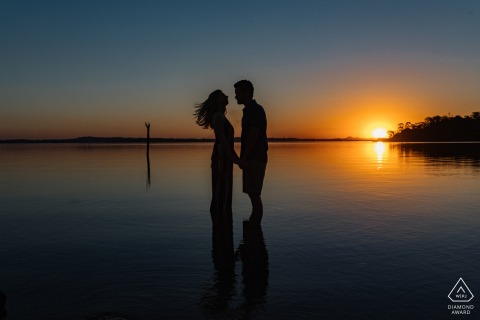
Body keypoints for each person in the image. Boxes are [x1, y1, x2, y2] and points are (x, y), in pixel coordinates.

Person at [194, 90, 239, 229]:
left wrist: (234, 159)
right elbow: (224, 142)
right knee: (221, 191)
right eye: (222, 95)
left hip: (225, 158)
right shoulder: (218, 117)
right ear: (217, 100)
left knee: (224, 191)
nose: (226, 96)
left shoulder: (221, 116)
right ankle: (221, 229)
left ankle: (223, 229)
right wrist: (236, 160)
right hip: (221, 159)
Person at [234, 80, 268, 225]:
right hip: (251, 158)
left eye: (238, 93)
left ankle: (254, 230)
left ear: (247, 93)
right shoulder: (248, 111)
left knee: (254, 193)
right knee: (252, 193)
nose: (235, 96)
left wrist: (244, 158)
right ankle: (254, 230)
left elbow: (253, 136)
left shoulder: (255, 110)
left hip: (255, 158)